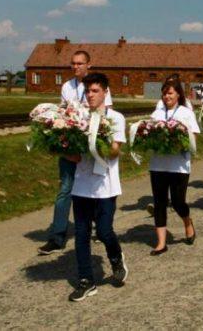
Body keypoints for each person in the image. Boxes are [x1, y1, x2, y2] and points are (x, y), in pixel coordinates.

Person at [39, 50, 113, 255]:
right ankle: (57, 236)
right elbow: (63, 112)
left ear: (89, 65)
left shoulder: (98, 85)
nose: (76, 67)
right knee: (65, 189)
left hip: (90, 147)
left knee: (94, 189)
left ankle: (100, 227)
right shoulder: (67, 86)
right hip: (71, 146)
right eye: (73, 63)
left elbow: (105, 115)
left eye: (80, 63)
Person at [67, 73, 127, 302]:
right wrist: (60, 147)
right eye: (87, 91)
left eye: (94, 91)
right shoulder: (78, 118)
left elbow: (114, 150)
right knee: (81, 234)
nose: (90, 96)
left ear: (105, 92)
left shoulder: (116, 118)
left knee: (104, 231)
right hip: (81, 186)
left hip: (106, 186)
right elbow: (74, 157)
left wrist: (96, 141)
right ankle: (86, 280)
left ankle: (115, 258)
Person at [147, 79, 199, 255]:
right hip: (158, 164)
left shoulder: (186, 112)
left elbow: (194, 137)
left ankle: (187, 221)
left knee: (178, 202)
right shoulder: (156, 113)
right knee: (159, 202)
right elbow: (148, 134)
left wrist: (180, 142)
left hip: (179, 165)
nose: (166, 96)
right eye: (164, 93)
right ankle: (161, 242)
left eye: (170, 93)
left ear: (178, 94)